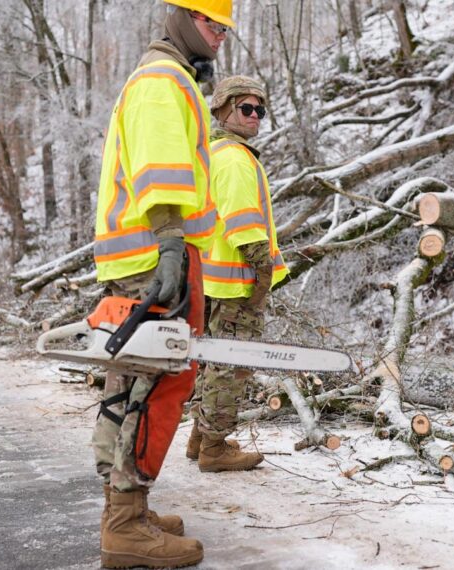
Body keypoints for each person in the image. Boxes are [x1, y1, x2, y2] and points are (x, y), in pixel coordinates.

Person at [89, 1, 232, 568]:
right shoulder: (161, 79)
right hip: (154, 255)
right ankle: (124, 524)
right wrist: (172, 245)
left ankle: (125, 508)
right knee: (151, 388)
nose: (219, 36)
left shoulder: (170, 78)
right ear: (180, 19)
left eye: (224, 28)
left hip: (148, 252)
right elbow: (159, 167)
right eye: (210, 24)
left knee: (135, 385)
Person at [186, 76, 289, 472]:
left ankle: (200, 437)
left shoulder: (217, 153)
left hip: (219, 280)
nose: (255, 116)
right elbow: (243, 220)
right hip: (237, 280)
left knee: (216, 362)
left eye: (259, 110)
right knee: (232, 365)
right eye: (246, 108)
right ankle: (214, 447)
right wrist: (262, 269)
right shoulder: (233, 158)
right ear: (224, 109)